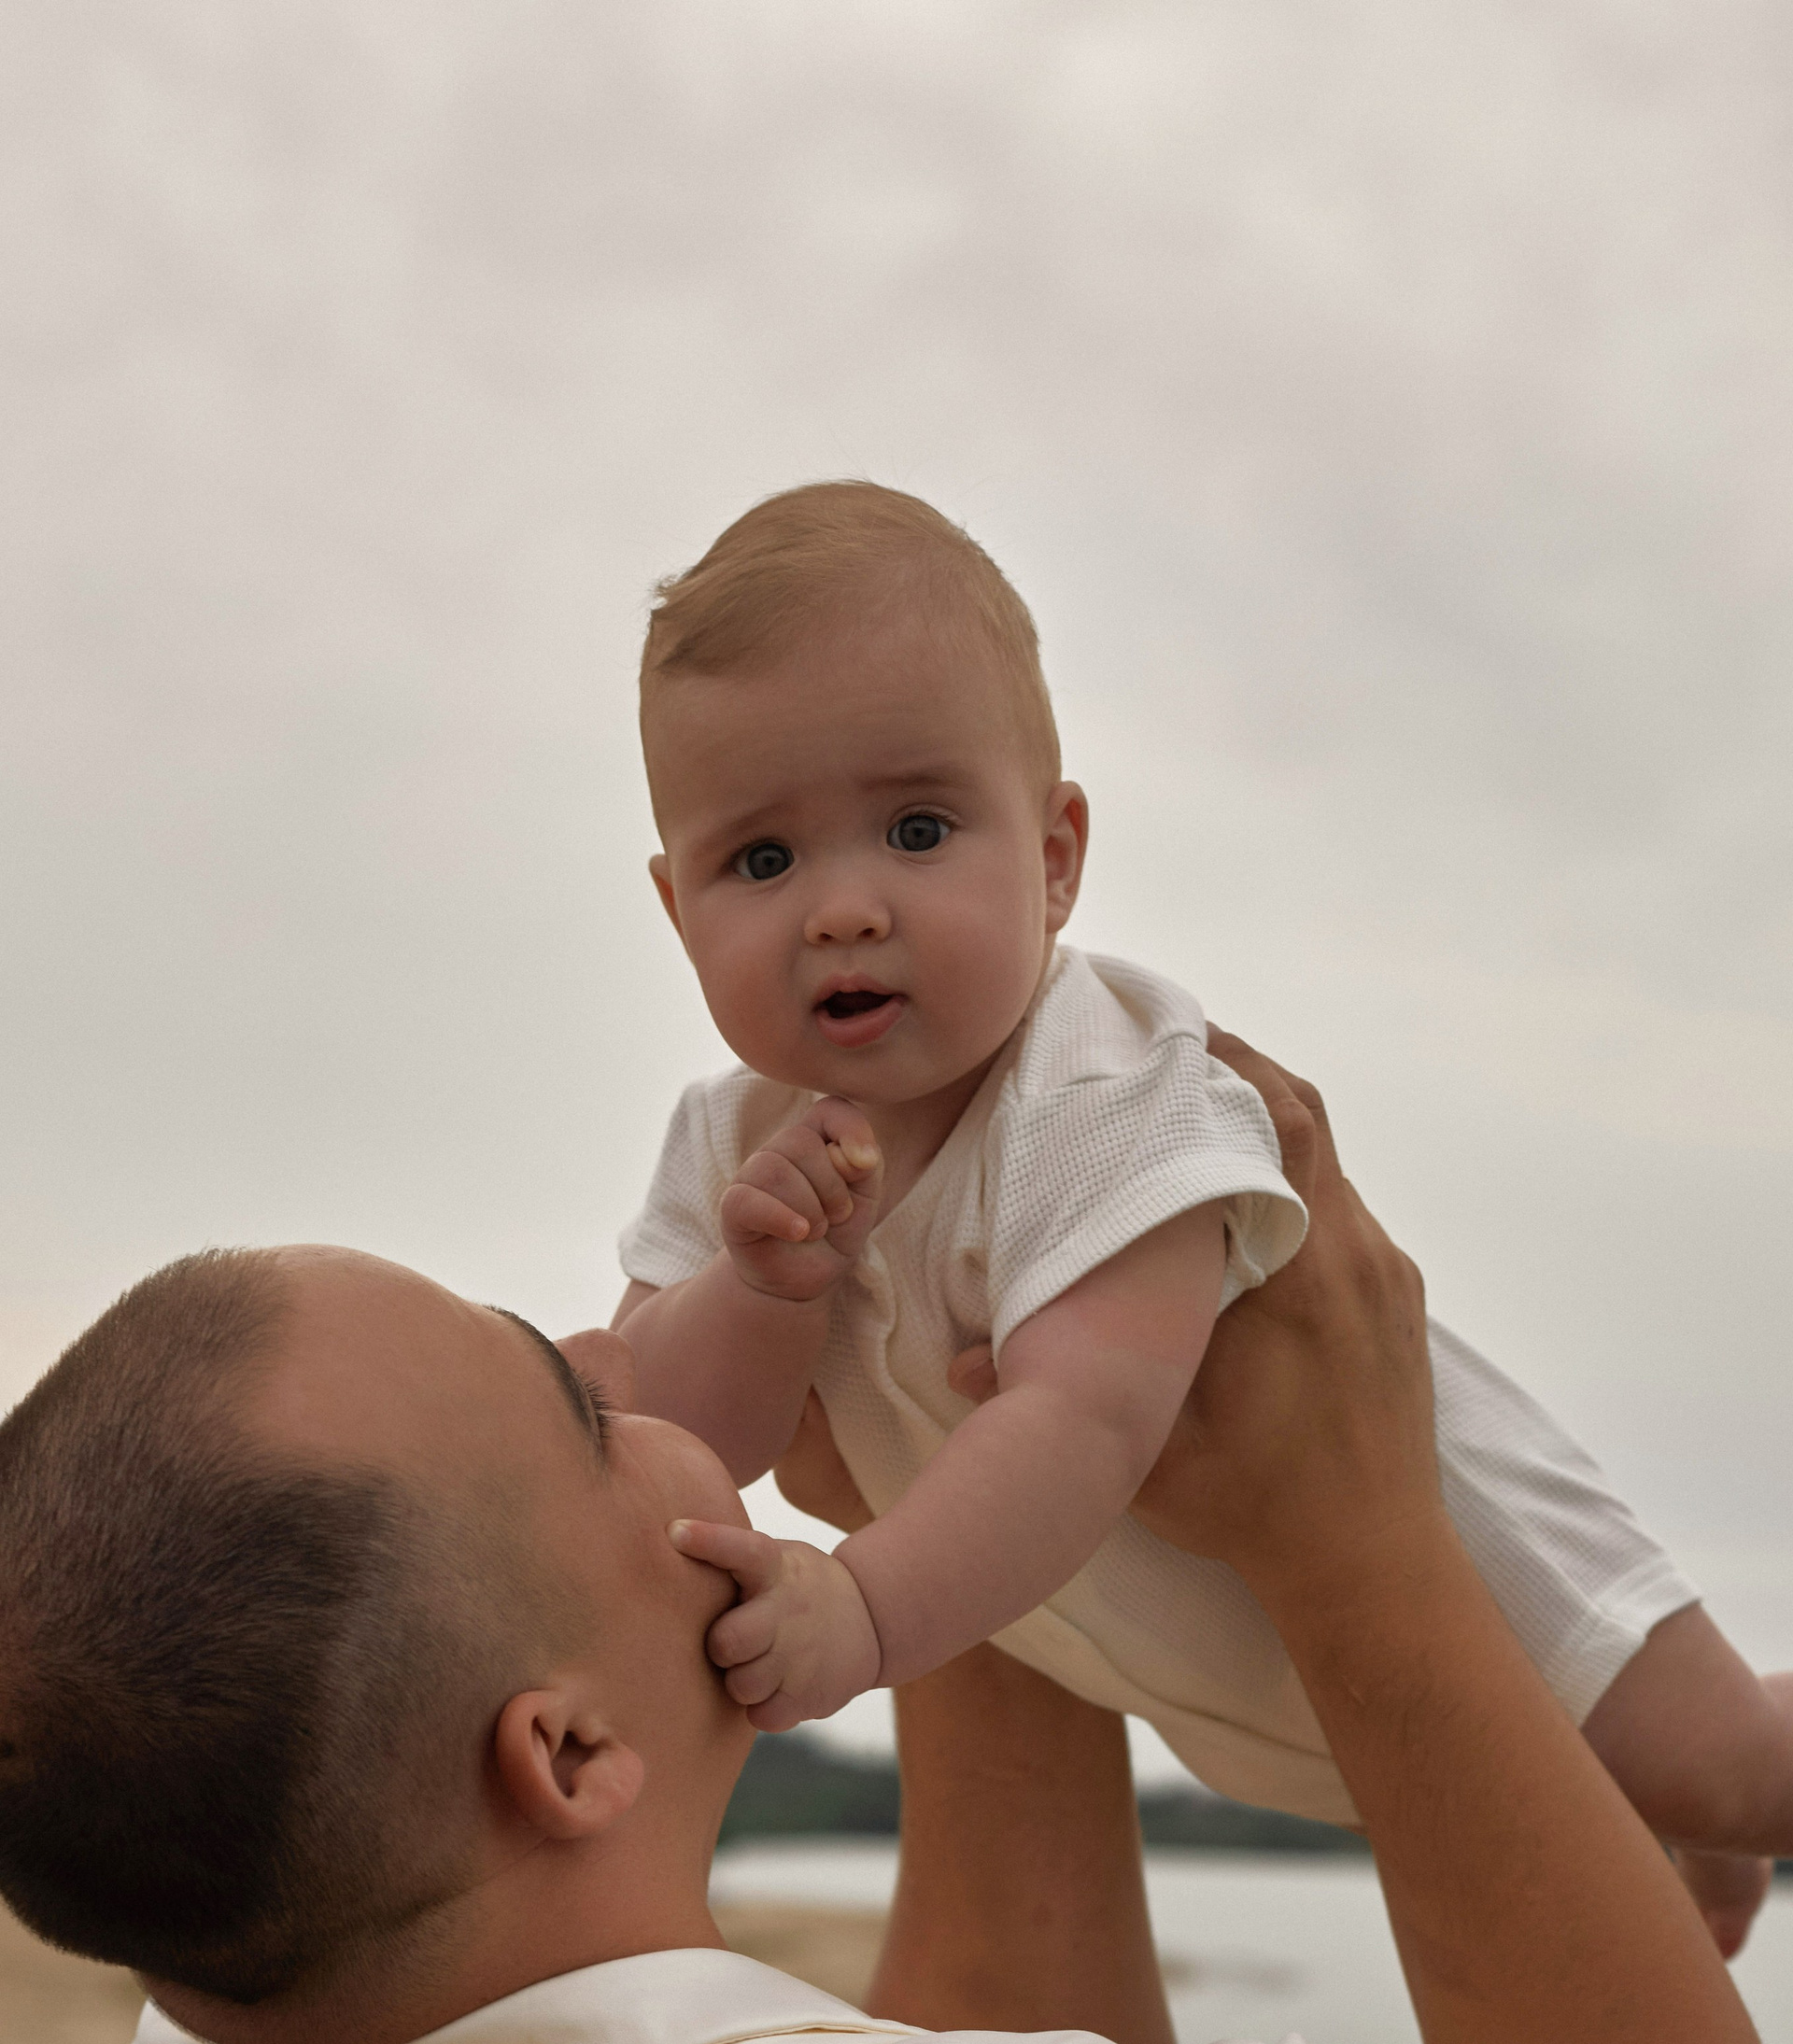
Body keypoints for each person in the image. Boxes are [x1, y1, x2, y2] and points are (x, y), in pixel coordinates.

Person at [0, 1047, 1788, 2044]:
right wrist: (1360, 1527)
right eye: (575, 1412)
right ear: (570, 1755)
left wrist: (954, 1498)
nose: (620, 1357)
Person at [600, 479, 1792, 1953]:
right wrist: (760, 1292)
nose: (842, 908)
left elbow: (1085, 1420)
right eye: (763, 860)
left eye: (916, 827)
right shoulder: (729, 1143)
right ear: (678, 909)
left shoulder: (1104, 1079)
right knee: (1543, 1802)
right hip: (1217, 1686)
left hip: (1482, 1586)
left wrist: (863, 1611)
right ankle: (1679, 1831)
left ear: (1054, 859)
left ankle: (1714, 1810)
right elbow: (671, 1438)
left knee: (1735, 1765)